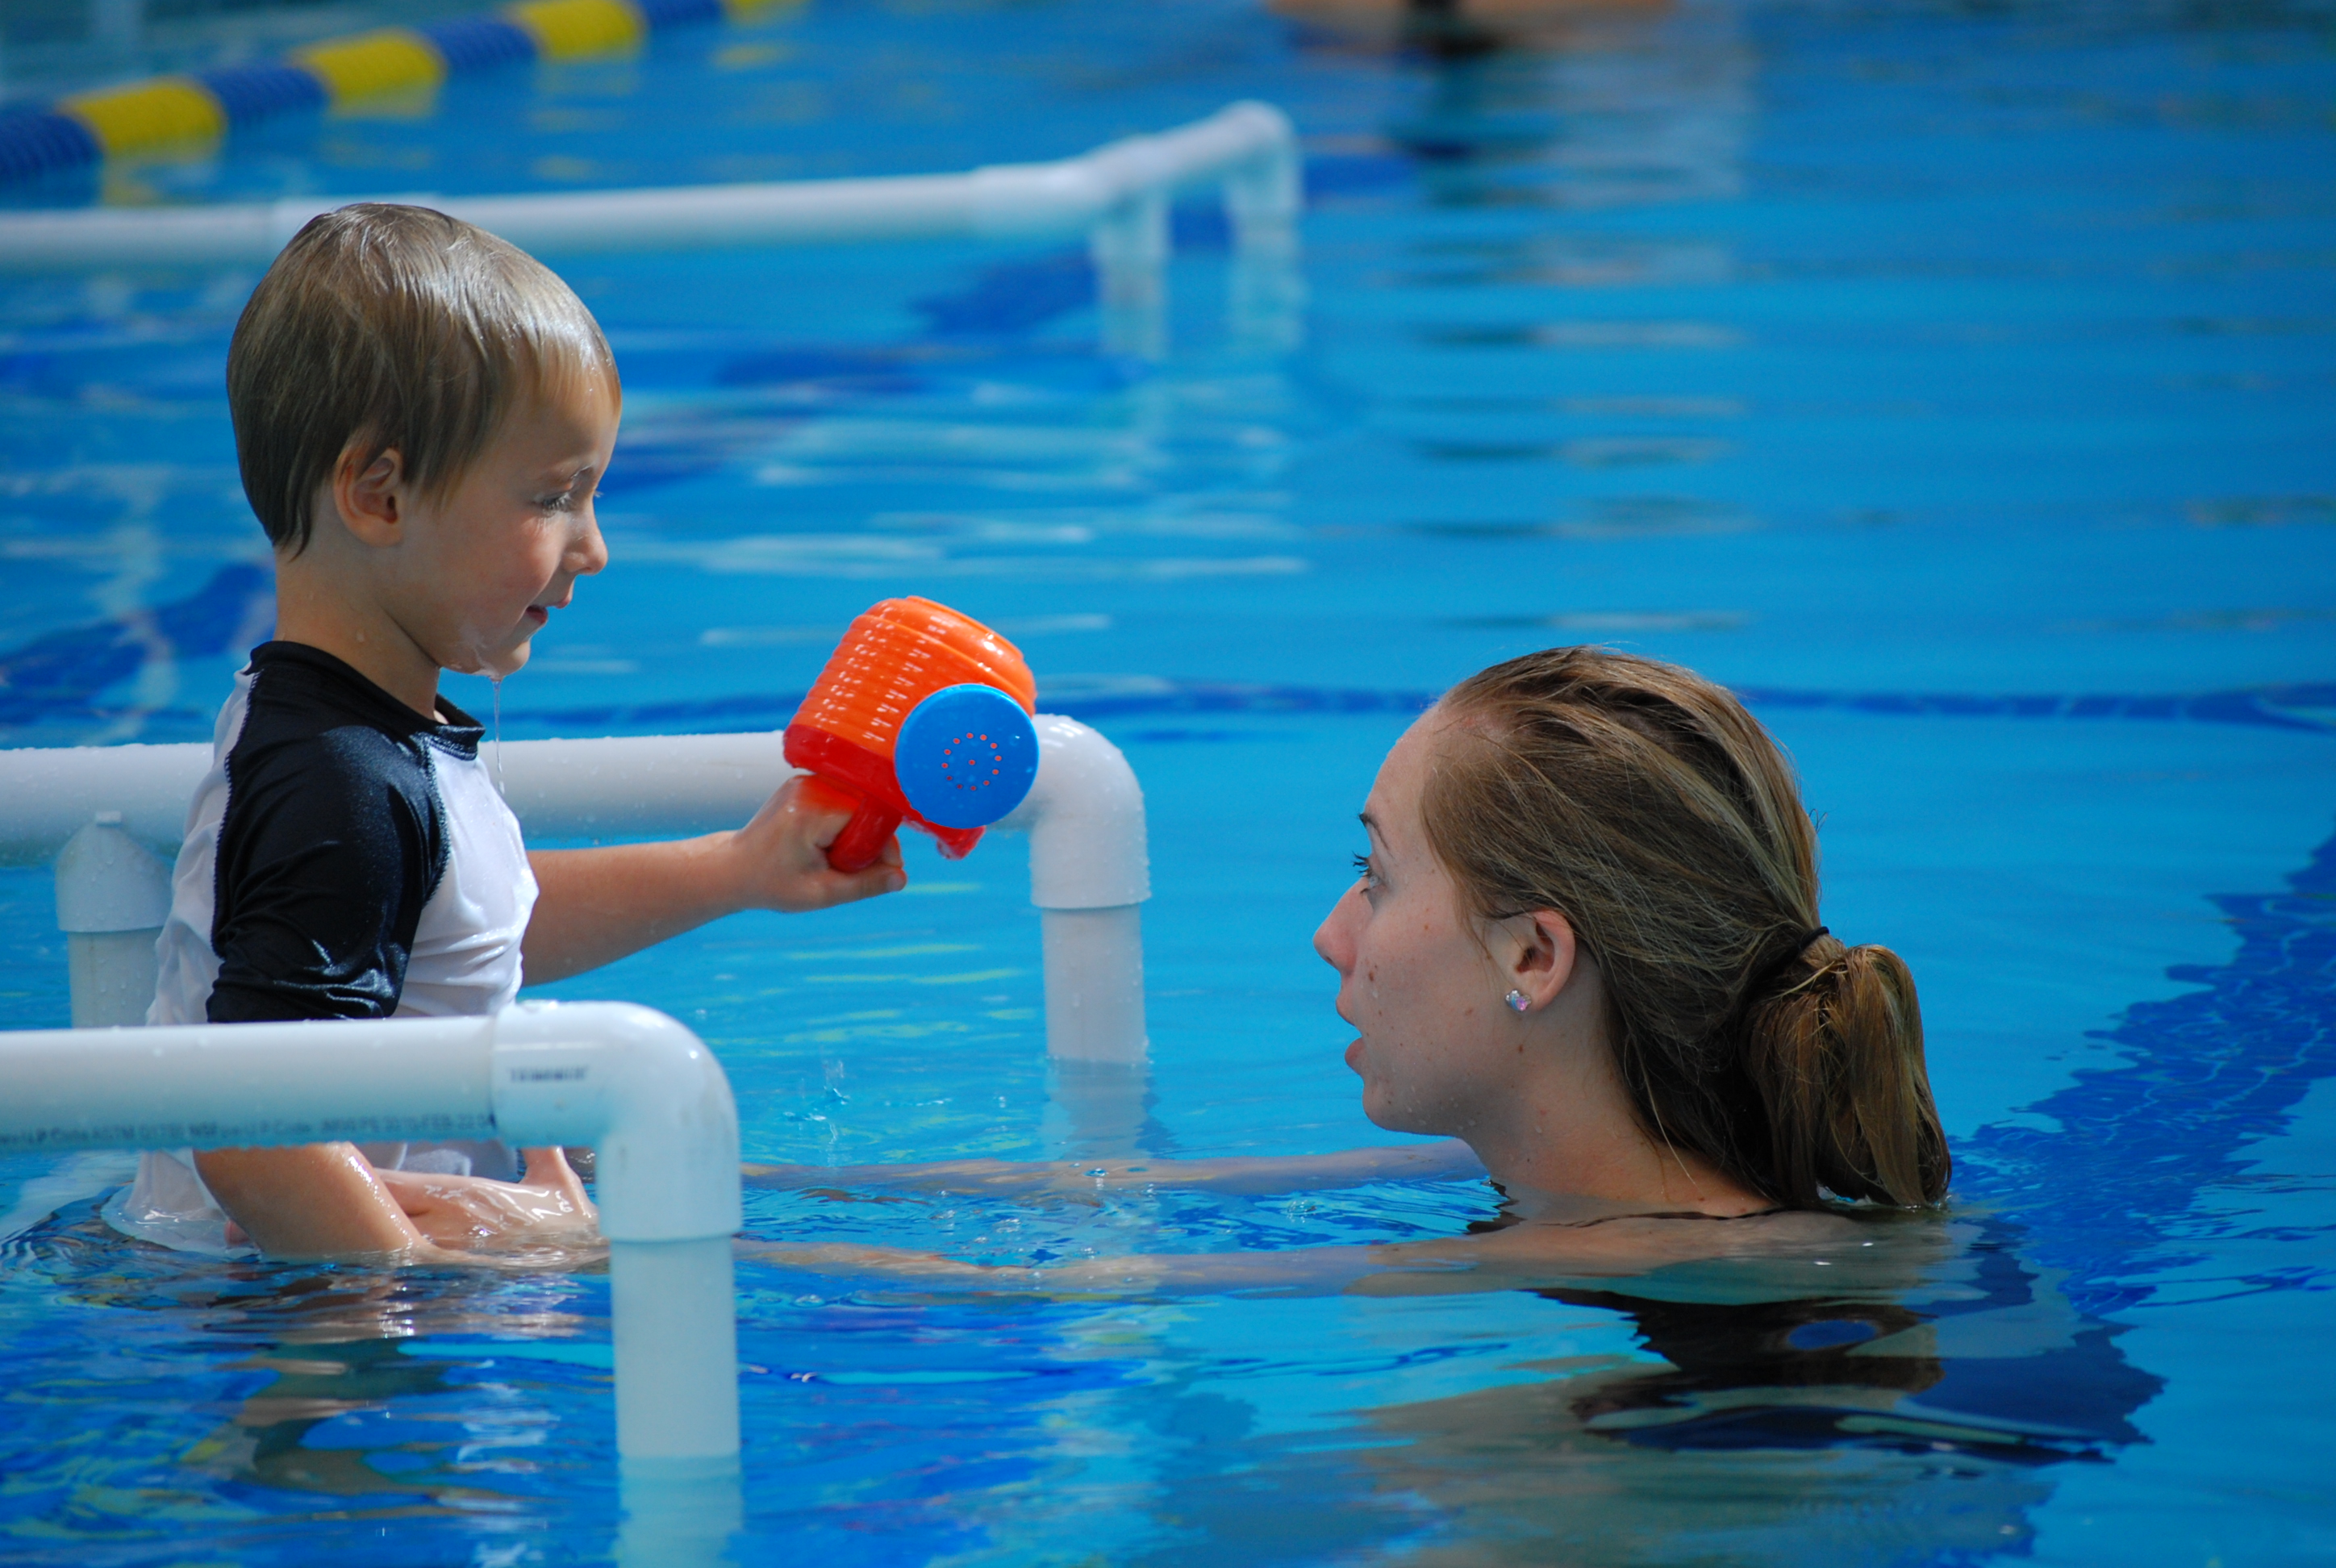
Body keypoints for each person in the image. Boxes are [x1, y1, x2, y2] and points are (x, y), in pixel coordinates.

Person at [110, 205, 903, 1266]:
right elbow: (251, 1133)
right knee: (833, 1271)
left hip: (322, 1272)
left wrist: (735, 870)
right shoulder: (335, 781)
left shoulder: (362, 739)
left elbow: (461, 936)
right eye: (555, 497)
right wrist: (482, 1258)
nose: (596, 547)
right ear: (380, 495)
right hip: (285, 1314)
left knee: (795, 1212)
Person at [749, 645, 1950, 1289]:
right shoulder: (1564, 1174)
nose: (1333, 933)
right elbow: (1116, 1197)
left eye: (1376, 877)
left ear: (1534, 953)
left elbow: (1050, 1292)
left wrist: (608, 1254)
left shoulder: (1664, 1254)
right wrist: (713, 1171)